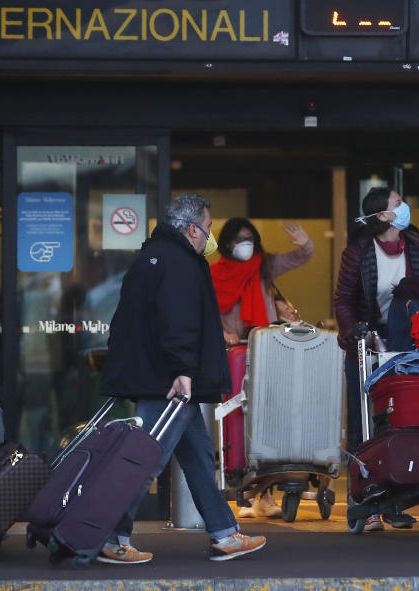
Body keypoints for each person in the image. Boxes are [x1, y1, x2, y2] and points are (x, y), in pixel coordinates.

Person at [100, 194, 266, 564]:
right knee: (145, 460)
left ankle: (224, 534)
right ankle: (111, 537)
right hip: (169, 382)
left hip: (160, 377)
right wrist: (184, 372)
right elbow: (178, 323)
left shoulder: (153, 256)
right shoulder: (178, 261)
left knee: (199, 456)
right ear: (192, 229)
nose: (209, 235)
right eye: (207, 228)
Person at [333, 187, 419, 532]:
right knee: (364, 425)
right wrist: (356, 332)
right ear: (384, 216)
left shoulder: (414, 246)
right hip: (365, 340)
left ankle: (395, 501)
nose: (405, 208)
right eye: (398, 203)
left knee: (400, 421)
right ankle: (365, 504)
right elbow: (343, 299)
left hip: (405, 340)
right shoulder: (358, 252)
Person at [211, 217, 314, 518]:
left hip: (267, 350)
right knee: (238, 419)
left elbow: (300, 257)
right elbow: (207, 310)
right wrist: (223, 335)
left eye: (250, 238)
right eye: (239, 239)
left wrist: (305, 242)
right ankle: (242, 484)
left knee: (270, 418)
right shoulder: (214, 275)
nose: (246, 244)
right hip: (234, 353)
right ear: (227, 243)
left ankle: (265, 493)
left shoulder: (264, 267)